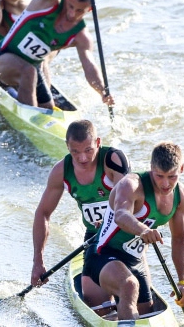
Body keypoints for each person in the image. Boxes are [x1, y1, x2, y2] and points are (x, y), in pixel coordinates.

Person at [84, 142, 184, 327]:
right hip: (102, 253)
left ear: (181, 169)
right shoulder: (131, 184)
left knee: (146, 312)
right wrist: (143, 230)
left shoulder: (180, 195)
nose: (166, 184)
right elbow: (121, 215)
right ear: (151, 169)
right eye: (159, 176)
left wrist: (183, 282)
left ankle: (125, 323)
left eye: (172, 177)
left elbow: (180, 239)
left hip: (133, 260)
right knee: (129, 286)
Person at [0, 0, 115, 110]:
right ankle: (27, 113)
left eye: (80, 10)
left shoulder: (81, 36)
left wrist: (103, 92)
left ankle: (25, 100)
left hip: (30, 69)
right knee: (29, 71)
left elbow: (89, 66)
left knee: (48, 107)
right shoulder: (48, 1)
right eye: (71, 6)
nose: (72, 14)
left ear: (90, 10)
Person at [30, 120, 129, 307]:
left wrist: (110, 220)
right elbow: (42, 213)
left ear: (98, 143)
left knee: (130, 288)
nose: (82, 158)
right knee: (95, 302)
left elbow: (130, 200)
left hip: (125, 231)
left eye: (88, 150)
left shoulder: (113, 159)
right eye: (75, 152)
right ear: (67, 146)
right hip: (94, 236)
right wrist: (38, 262)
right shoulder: (61, 171)